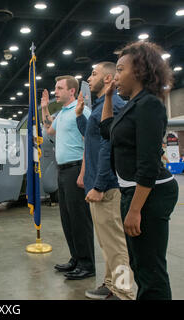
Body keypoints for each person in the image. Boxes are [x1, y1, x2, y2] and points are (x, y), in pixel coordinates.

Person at [100, 41, 178, 300]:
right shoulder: (133, 104)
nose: (116, 76)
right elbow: (106, 130)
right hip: (133, 191)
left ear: (140, 71)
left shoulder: (149, 105)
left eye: (121, 70)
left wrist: (134, 210)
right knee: (141, 264)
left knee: (151, 271)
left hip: (150, 194)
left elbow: (148, 164)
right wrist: (109, 97)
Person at [76, 62, 134, 300]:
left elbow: (108, 147)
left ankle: (123, 292)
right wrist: (80, 116)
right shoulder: (100, 106)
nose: (89, 79)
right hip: (99, 185)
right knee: (107, 243)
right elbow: (92, 136)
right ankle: (111, 285)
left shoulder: (112, 106)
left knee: (116, 245)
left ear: (108, 79)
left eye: (94, 74)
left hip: (107, 188)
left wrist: (99, 185)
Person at [41, 76, 95, 280]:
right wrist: (45, 107)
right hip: (62, 171)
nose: (55, 91)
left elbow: (89, 143)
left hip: (76, 170)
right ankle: (76, 258)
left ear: (72, 91)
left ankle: (87, 263)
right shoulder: (63, 113)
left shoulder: (81, 112)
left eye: (59, 88)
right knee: (67, 219)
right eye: (55, 87)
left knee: (80, 219)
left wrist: (83, 173)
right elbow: (49, 129)